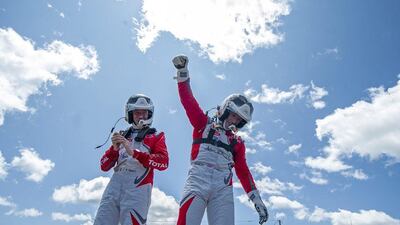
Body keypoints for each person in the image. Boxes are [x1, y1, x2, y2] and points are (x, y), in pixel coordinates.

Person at [172, 55, 268, 225]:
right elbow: (188, 102)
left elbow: (243, 172)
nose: (235, 121)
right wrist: (182, 72)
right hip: (197, 179)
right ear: (224, 110)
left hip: (223, 187)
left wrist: (256, 199)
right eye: (233, 116)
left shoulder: (237, 143)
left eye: (239, 120)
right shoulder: (203, 124)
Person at [94, 94, 169, 225]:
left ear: (149, 114)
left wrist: (135, 153)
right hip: (115, 185)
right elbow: (104, 166)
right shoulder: (122, 135)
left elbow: (164, 162)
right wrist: (114, 149)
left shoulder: (156, 136)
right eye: (137, 113)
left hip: (138, 187)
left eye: (144, 113)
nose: (141, 116)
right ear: (130, 115)